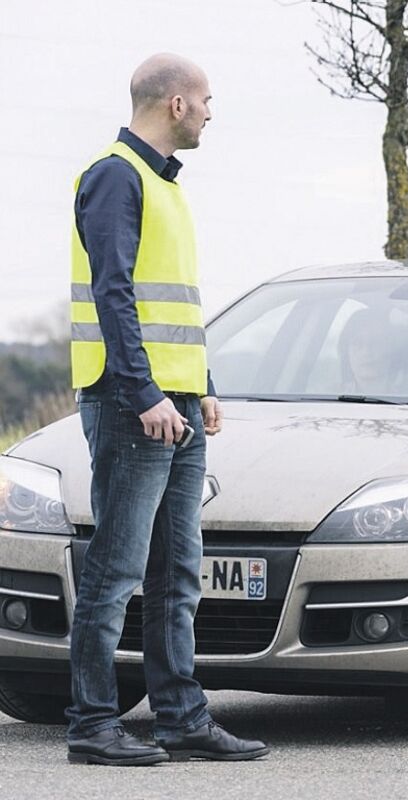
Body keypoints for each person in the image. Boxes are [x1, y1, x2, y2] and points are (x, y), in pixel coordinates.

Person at [67, 53, 268, 765]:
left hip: (177, 405)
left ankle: (182, 719)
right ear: (176, 103)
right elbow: (113, 293)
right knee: (116, 572)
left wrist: (202, 382)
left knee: (178, 572)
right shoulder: (114, 176)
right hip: (134, 408)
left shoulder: (164, 187)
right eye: (207, 100)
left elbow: (173, 303)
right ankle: (93, 724)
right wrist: (145, 393)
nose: (213, 112)